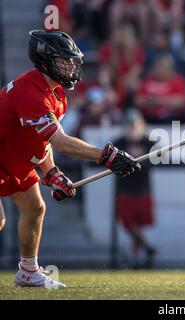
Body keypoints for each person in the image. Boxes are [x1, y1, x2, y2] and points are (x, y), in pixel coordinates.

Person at [0, 30, 141, 288]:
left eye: (72, 61)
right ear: (44, 61)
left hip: (13, 162)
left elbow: (43, 140)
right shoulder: (31, 92)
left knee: (35, 208)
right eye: (64, 61)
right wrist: (106, 156)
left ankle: (28, 272)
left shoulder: (56, 95)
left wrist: (51, 172)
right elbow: (61, 141)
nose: (71, 67)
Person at [113, 109, 156, 267]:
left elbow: (154, 162)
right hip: (125, 190)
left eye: (135, 125)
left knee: (139, 225)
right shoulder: (119, 143)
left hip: (143, 190)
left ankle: (136, 256)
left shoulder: (148, 143)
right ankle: (147, 248)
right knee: (129, 223)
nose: (132, 128)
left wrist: (138, 160)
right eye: (129, 125)